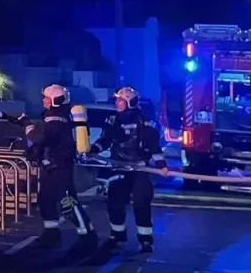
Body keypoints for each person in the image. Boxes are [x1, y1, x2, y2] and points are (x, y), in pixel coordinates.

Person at [27, 84, 98, 249]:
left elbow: (41, 138)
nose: (44, 101)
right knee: (45, 200)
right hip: (51, 167)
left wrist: (27, 127)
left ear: (55, 100)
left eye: (46, 98)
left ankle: (87, 235)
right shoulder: (54, 117)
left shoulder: (57, 119)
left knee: (68, 203)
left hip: (59, 167)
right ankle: (51, 234)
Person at [99, 86, 164, 252]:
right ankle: (117, 235)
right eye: (117, 100)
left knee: (142, 203)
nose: (117, 103)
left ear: (130, 102)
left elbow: (154, 145)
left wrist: (161, 165)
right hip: (119, 167)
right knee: (115, 202)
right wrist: (93, 149)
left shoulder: (144, 121)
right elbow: (105, 140)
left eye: (120, 100)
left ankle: (145, 240)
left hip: (140, 169)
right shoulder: (112, 120)